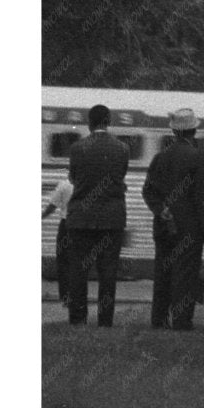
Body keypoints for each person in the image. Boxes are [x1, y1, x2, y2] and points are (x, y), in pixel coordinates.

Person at [142, 106, 204, 329]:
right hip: (188, 229)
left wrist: (161, 210)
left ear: (174, 132)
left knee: (163, 273)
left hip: (163, 227)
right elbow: (201, 197)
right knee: (185, 275)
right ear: (193, 131)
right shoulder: (195, 157)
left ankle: (158, 320)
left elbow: (147, 190)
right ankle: (181, 321)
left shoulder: (160, 157)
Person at [65, 103, 129, 326]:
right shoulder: (122, 148)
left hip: (81, 217)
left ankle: (78, 317)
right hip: (111, 219)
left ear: (89, 123)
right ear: (108, 122)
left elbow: (73, 179)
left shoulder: (77, 148)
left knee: (78, 270)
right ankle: (105, 320)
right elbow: (119, 178)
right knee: (108, 272)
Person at [43, 177, 74, 304]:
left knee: (63, 262)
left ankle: (66, 296)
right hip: (81, 227)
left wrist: (42, 216)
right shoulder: (86, 185)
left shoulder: (64, 185)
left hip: (66, 225)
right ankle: (77, 296)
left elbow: (52, 206)